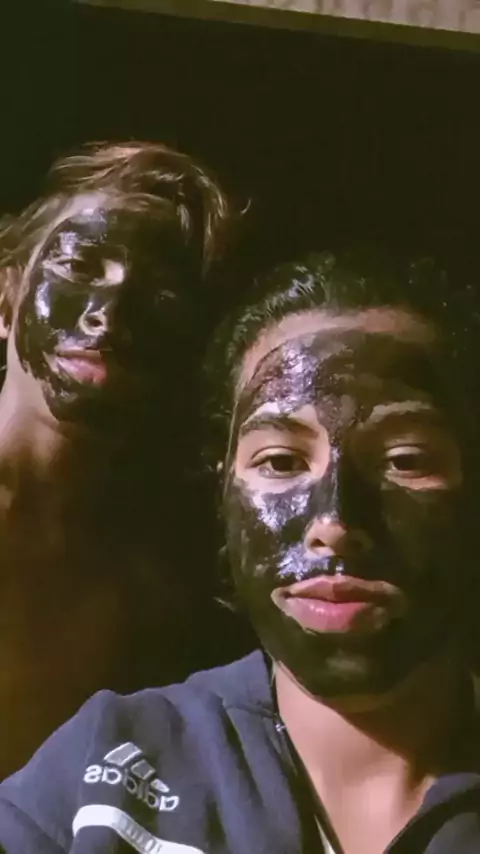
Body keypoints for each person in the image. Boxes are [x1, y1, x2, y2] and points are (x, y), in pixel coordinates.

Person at [1, 245, 480, 853]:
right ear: (223, 491)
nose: (335, 523)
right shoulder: (106, 767)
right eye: (280, 461)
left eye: (405, 460)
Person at [0, 140, 237, 779]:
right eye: (81, 265)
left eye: (159, 295)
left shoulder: (165, 571)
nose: (109, 315)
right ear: (5, 300)